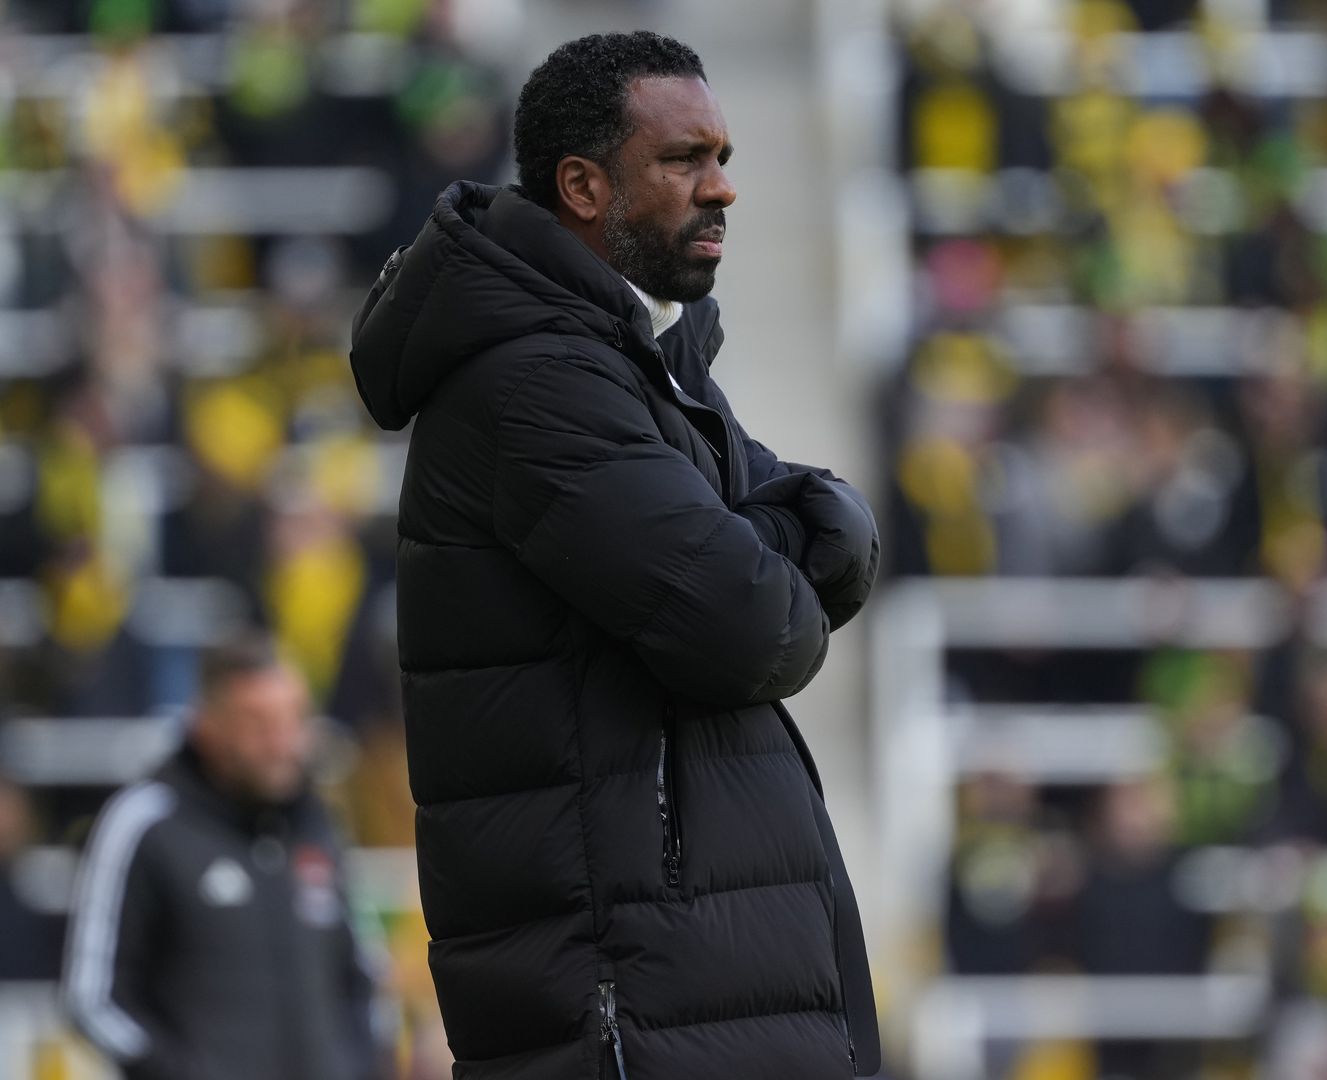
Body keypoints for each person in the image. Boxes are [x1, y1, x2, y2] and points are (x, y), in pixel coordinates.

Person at [347, 31, 882, 1079]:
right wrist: (769, 542)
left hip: (695, 986)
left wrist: (764, 539)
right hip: (635, 997)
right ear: (584, 185)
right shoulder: (537, 385)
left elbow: (837, 534)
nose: (722, 187)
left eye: (723, 155)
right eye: (685, 160)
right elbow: (752, 624)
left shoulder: (636, 363)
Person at [60, 637, 384, 1080]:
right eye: (258, 723)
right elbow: (92, 998)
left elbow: (361, 975)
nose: (280, 742)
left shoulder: (319, 824)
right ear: (206, 726)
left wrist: (359, 1067)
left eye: (292, 719)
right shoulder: (146, 821)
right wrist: (176, 1072)